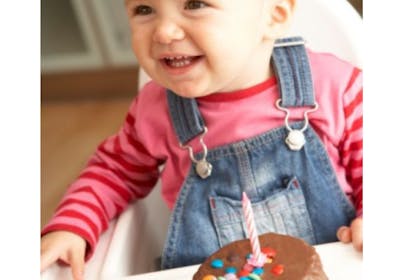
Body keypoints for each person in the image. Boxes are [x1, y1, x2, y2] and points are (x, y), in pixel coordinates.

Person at [41, 0, 363, 279]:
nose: (164, 32)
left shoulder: (333, 87)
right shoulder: (155, 110)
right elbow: (114, 169)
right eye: (144, 9)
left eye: (195, 4)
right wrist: (72, 225)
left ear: (275, 15)